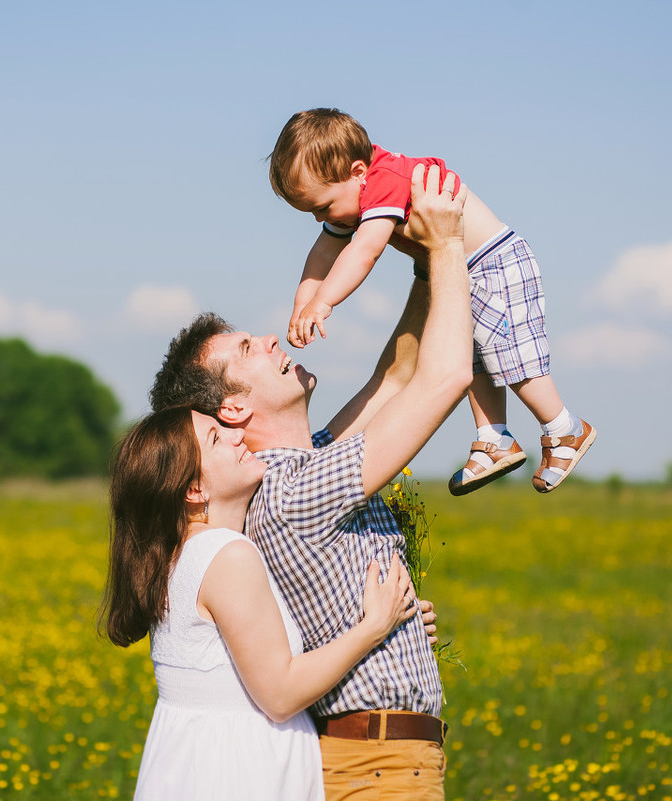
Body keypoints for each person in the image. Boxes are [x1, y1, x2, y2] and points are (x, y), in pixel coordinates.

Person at [149, 164, 470, 800]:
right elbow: (443, 379)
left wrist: (421, 266)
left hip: (380, 756)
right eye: (246, 351)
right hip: (380, 764)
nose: (270, 340)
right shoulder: (295, 488)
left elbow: (400, 375)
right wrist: (450, 245)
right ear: (234, 410)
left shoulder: (309, 464)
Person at [101, 406, 423, 800]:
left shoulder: (181, 558)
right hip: (241, 770)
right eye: (217, 438)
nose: (237, 435)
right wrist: (375, 626)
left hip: (196, 763)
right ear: (194, 490)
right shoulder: (227, 555)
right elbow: (280, 694)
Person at [268, 107, 595, 495]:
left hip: (495, 262)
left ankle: (563, 429)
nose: (320, 218)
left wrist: (324, 302)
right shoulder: (352, 191)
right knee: (476, 358)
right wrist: (302, 301)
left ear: (357, 172)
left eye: (322, 207)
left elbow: (365, 250)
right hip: (459, 272)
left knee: (511, 356)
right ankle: (494, 438)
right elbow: (324, 250)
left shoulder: (382, 179)